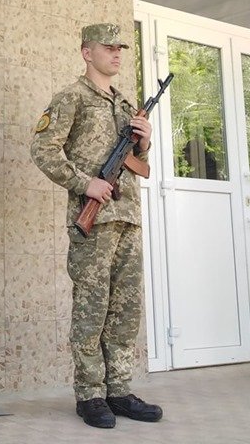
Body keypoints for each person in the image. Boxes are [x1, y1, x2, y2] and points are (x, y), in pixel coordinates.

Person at [30, 23, 162, 429]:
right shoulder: (71, 97)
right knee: (92, 308)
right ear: (87, 52)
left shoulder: (125, 104)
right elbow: (42, 148)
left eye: (120, 48)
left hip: (126, 220)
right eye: (108, 48)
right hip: (94, 222)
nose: (117, 54)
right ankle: (90, 394)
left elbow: (140, 164)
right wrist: (84, 182)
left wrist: (143, 141)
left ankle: (118, 389)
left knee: (125, 310)